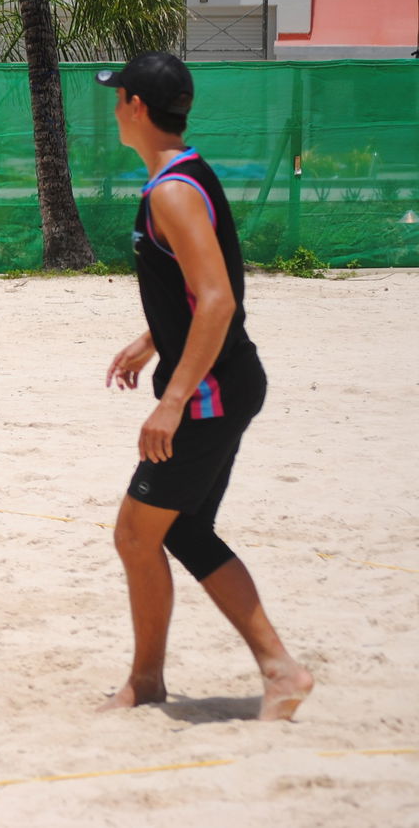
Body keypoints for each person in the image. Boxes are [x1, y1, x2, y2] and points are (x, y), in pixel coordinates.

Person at [96, 53, 311, 718]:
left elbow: (217, 301)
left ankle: (179, 677)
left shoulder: (173, 190)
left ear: (134, 105)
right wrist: (152, 338)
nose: (113, 106)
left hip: (212, 389)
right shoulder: (181, 174)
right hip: (223, 378)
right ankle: (259, 672)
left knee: (136, 534)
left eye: (117, 95)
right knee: (182, 530)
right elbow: (197, 286)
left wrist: (172, 398)